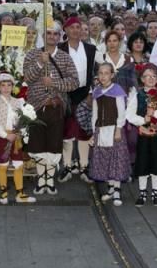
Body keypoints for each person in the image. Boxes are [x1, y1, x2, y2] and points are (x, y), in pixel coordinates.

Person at [23, 23, 78, 195]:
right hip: (36, 107)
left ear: (60, 36)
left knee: (54, 144)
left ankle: (50, 179)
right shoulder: (32, 54)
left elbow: (74, 82)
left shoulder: (64, 57)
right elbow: (27, 77)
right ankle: (41, 180)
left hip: (56, 106)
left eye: (56, 34)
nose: (52, 36)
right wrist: (40, 62)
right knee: (38, 143)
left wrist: (54, 83)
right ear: (43, 35)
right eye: (49, 33)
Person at [0, 72, 36, 204]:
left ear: (12, 86)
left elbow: (24, 118)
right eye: (3, 85)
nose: (6, 88)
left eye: (9, 85)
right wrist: (5, 135)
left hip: (16, 137)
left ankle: (20, 194)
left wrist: (21, 133)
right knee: (2, 165)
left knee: (18, 164)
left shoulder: (18, 102)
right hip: (3, 137)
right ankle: (3, 193)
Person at [88, 62, 132, 205]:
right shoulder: (97, 91)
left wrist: (119, 128)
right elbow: (94, 113)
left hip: (114, 129)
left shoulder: (117, 90)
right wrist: (94, 132)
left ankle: (117, 190)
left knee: (116, 159)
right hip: (101, 129)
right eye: (100, 73)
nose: (103, 76)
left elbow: (121, 111)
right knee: (105, 159)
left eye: (106, 73)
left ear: (112, 75)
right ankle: (111, 188)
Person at [126, 64, 157, 207]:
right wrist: (143, 121)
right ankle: (142, 192)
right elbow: (129, 114)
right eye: (147, 76)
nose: (150, 79)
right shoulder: (138, 95)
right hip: (143, 134)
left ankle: (155, 192)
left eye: (153, 76)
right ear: (142, 79)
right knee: (143, 162)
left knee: (156, 163)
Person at [62, 16, 97, 181]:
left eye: (78, 27)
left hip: (85, 94)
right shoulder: (59, 49)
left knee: (84, 131)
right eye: (72, 27)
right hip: (66, 94)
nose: (75, 30)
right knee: (67, 132)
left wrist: (91, 93)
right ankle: (67, 166)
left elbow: (95, 73)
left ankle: (84, 166)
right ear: (66, 30)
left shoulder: (91, 49)